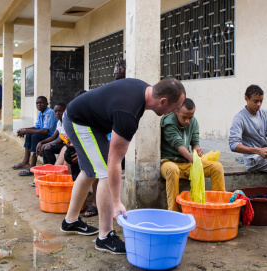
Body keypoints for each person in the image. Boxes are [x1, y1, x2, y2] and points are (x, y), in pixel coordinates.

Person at [60, 77, 186, 254]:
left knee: (90, 171)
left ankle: (70, 221)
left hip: (81, 117)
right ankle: (105, 236)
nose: (173, 112)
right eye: (174, 108)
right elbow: (114, 161)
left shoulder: (142, 89)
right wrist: (117, 202)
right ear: (163, 101)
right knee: (104, 170)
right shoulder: (128, 114)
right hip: (78, 121)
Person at [160, 98, 225, 211]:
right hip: (169, 162)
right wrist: (192, 158)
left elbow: (195, 143)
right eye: (184, 117)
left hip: (187, 163)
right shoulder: (168, 122)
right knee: (172, 170)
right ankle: (174, 212)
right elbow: (178, 144)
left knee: (217, 167)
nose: (187, 121)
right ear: (176, 111)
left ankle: (220, 207)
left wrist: (197, 151)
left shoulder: (193, 122)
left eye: (190, 117)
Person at [11, 96, 58, 176]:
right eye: (37, 103)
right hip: (46, 135)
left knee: (35, 136)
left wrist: (26, 130)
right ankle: (25, 162)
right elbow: (36, 127)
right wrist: (23, 130)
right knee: (29, 134)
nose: (39, 104)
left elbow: (45, 131)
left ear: (47, 104)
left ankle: (32, 166)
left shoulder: (49, 112)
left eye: (41, 103)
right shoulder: (41, 113)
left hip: (52, 137)